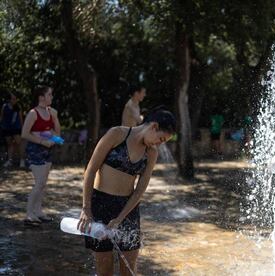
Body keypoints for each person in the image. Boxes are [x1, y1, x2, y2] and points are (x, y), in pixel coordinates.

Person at [77, 107, 175, 276]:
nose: (159, 144)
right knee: (104, 268)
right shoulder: (117, 134)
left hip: (128, 209)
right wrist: (86, 208)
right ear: (153, 126)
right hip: (100, 204)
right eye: (160, 139)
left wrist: (120, 217)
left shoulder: (151, 153)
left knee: (129, 269)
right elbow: (91, 170)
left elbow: (140, 190)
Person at [21, 85, 61, 226]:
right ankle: (28, 214)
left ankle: (38, 211)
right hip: (35, 150)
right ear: (41, 97)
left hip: (47, 151)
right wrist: (42, 141)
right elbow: (24, 133)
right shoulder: (33, 113)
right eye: (49, 94)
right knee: (39, 183)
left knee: (42, 184)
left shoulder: (51, 112)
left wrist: (55, 118)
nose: (51, 97)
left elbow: (58, 134)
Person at [0, 93, 25, 168]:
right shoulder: (4, 106)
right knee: (9, 144)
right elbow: (1, 117)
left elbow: (21, 119)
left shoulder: (18, 107)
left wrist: (22, 128)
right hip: (7, 128)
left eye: (15, 98)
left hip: (16, 128)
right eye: (13, 99)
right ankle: (9, 160)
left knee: (19, 143)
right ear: (9, 100)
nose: (15, 100)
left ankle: (22, 160)